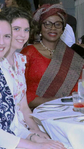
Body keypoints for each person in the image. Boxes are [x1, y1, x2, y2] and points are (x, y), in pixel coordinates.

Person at [0, 13, 65, 149]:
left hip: (17, 130)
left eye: (26, 30)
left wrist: (36, 133)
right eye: (16, 29)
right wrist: (33, 141)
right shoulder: (3, 66)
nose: (22, 35)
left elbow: (21, 108)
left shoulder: (19, 60)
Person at [20, 4, 84, 108]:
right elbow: (18, 89)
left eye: (58, 24)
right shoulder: (28, 53)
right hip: (31, 112)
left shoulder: (72, 57)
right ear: (40, 28)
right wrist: (50, 101)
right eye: (47, 24)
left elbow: (78, 91)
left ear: (63, 29)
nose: (53, 28)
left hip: (64, 112)